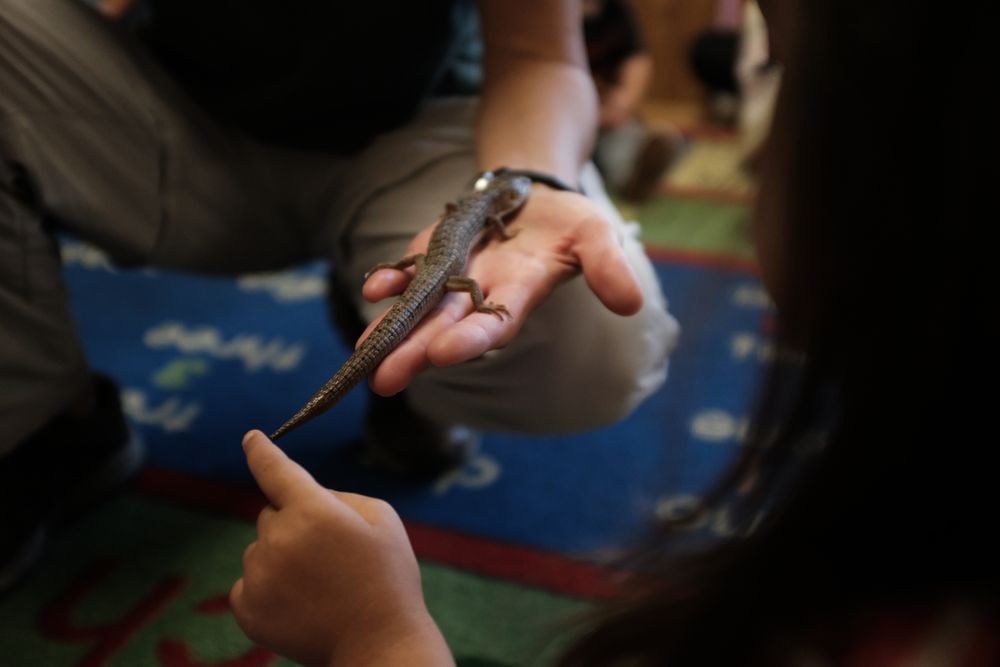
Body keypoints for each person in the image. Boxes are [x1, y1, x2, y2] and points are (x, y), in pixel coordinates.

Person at [228, 0, 998, 664]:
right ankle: (371, 328)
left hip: (433, 255)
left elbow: (497, 160)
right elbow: (480, 231)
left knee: (417, 311)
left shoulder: (475, 210)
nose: (758, 154)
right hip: (432, 260)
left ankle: (370, 323)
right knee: (427, 312)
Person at [0, 0, 679, 592]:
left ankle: (379, 320)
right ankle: (51, 425)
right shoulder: (490, 217)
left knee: (581, 339)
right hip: (185, 117)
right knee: (448, 297)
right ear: (502, 209)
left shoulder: (481, 208)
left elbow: (540, 56)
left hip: (428, 125)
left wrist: (536, 175)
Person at [582, 0, 683, 203]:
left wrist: (622, 102)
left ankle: (633, 178)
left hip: (608, 110)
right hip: (566, 116)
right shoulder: (549, 14)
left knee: (622, 138)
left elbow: (637, 59)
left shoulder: (616, 10)